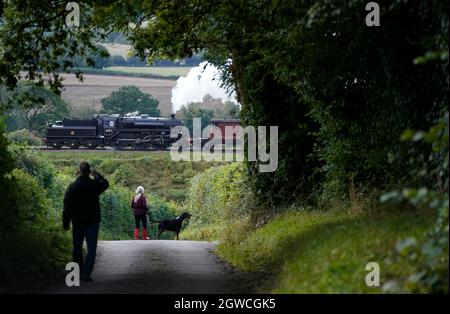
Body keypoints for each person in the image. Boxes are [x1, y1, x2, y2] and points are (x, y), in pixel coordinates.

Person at [63, 161, 109, 282]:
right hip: (92, 220)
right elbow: (105, 184)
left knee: (77, 248)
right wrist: (97, 175)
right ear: (89, 171)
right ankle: (86, 273)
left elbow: (67, 206)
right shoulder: (94, 185)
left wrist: (66, 221)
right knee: (91, 248)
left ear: (79, 171)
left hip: (77, 221)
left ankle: (77, 273)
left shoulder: (72, 186)